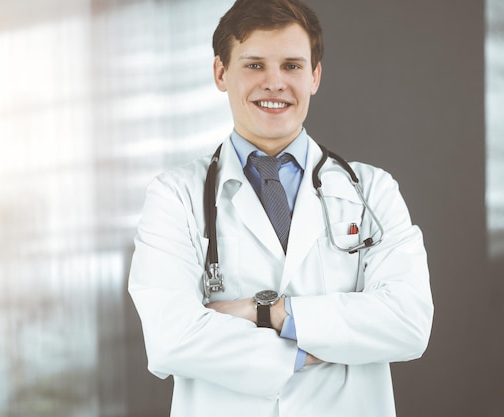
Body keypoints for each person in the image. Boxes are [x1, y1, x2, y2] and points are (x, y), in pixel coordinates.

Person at [128, 0, 433, 416]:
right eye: (254, 65)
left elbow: (407, 322)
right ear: (221, 72)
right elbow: (170, 338)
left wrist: (267, 312)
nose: (274, 83)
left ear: (314, 76)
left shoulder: (371, 191)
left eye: (291, 66)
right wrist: (314, 347)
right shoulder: (174, 196)